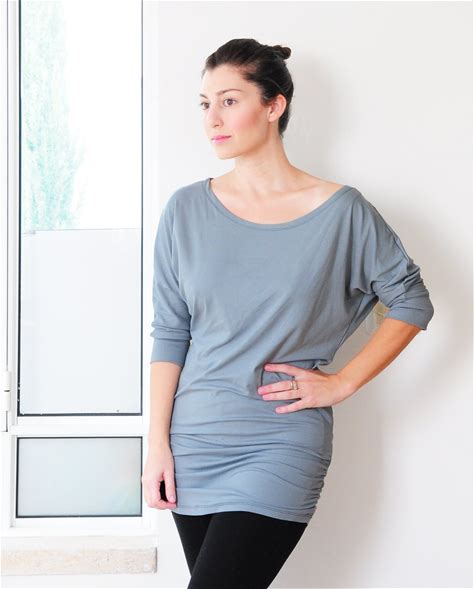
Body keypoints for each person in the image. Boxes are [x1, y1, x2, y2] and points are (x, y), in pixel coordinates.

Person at [142, 38, 435, 589]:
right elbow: (171, 331)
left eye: (229, 101)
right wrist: (156, 443)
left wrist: (343, 382)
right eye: (205, 104)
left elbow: (411, 299)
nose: (212, 119)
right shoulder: (185, 209)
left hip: (279, 441)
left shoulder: (341, 212)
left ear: (274, 105)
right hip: (194, 441)